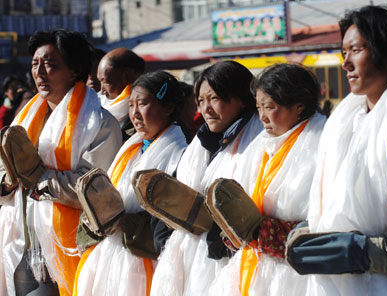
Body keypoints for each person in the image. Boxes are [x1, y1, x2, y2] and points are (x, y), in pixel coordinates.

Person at [286, 6, 387, 295]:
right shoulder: (343, 123)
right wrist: (310, 231)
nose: (345, 64)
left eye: (355, 50)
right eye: (343, 52)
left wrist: (363, 253)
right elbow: (337, 206)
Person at [0, 29, 122, 296]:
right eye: (35, 64)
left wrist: (37, 177)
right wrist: (6, 182)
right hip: (23, 244)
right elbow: (6, 169)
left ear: (75, 69)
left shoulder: (99, 124)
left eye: (50, 65)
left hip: (71, 246)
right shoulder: (26, 118)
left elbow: (95, 187)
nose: (40, 73)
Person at [209, 64, 326, 295]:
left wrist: (266, 232)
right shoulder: (262, 143)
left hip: (295, 276)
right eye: (258, 106)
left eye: (269, 107)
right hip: (257, 266)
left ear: (299, 106)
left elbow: (325, 218)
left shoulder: (322, 142)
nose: (261, 116)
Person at [150, 61, 263, 296]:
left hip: (234, 262)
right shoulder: (201, 143)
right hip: (191, 258)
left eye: (214, 98)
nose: (205, 109)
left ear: (241, 98)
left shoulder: (260, 141)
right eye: (201, 101)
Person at [73, 71, 187, 296]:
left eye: (143, 104)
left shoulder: (180, 152)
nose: (134, 113)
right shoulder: (132, 146)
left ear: (168, 107)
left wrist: (124, 221)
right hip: (115, 252)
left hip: (147, 255)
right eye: (131, 104)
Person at [97, 48, 145, 141]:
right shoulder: (98, 106)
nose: (102, 91)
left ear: (125, 76)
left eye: (105, 82)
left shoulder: (150, 114)